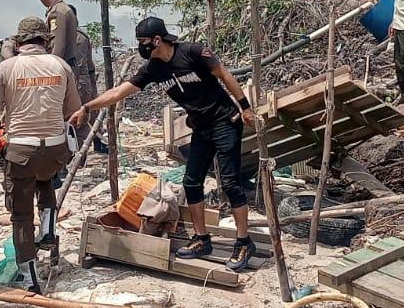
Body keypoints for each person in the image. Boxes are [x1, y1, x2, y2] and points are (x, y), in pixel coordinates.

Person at [71, 16, 262, 271]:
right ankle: (202, 239)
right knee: (191, 182)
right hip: (201, 127)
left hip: (225, 121)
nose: (141, 47)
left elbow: (224, 75)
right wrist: (87, 107)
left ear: (157, 40)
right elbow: (117, 93)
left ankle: (244, 242)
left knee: (230, 183)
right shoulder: (153, 68)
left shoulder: (193, 52)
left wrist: (245, 108)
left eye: (143, 42)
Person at [0, 16, 80, 292]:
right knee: (44, 174)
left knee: (21, 214)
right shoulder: (60, 66)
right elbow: (73, 107)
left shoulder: (6, 68)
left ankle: (30, 277)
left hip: (21, 149)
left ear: (18, 41)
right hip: (56, 147)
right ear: (45, 40)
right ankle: (48, 226)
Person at [35, 0, 109, 160]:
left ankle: (72, 159)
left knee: (67, 117)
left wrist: (47, 74)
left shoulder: (58, 13)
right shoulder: (65, 11)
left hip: (62, 71)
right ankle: (73, 157)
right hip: (70, 70)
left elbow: (57, 48)